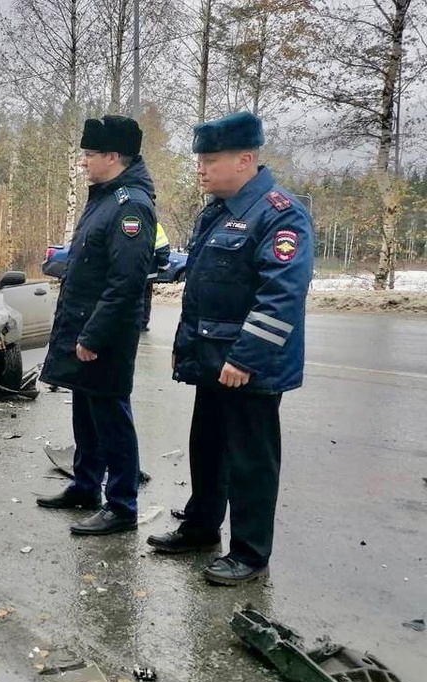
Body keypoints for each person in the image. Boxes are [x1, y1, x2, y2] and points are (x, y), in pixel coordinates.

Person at [147, 112, 313, 586]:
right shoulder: (218, 211)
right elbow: (201, 292)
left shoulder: (280, 213)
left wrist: (246, 358)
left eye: (210, 159)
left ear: (245, 159)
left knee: (250, 461)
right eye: (199, 159)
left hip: (249, 367)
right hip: (212, 360)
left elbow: (281, 295)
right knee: (209, 448)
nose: (200, 168)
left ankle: (250, 551)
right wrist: (186, 348)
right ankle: (201, 527)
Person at [36, 115, 157, 536]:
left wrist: (93, 335)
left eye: (89, 154)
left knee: (111, 418)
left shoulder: (131, 206)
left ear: (113, 156)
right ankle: (86, 486)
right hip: (84, 327)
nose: (83, 161)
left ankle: (122, 505)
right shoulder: (104, 197)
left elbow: (126, 283)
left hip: (103, 336)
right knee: (86, 412)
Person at [141, 223, 171, 331]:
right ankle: (142, 322)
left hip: (127, 270)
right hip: (148, 271)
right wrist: (164, 266)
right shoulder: (154, 224)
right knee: (145, 297)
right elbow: (162, 247)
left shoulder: (124, 217)